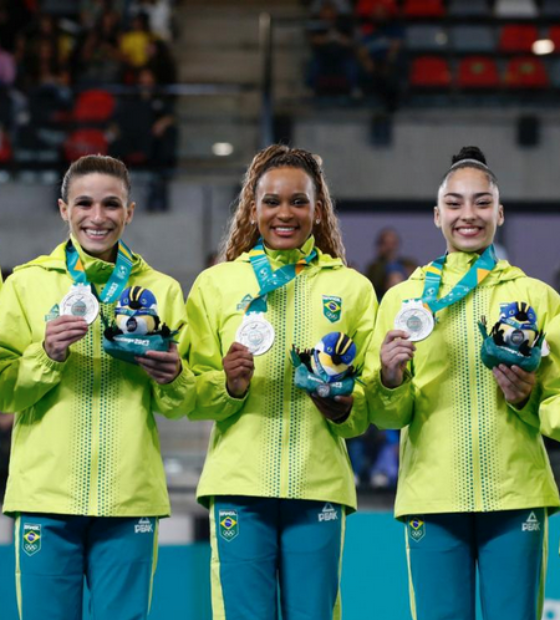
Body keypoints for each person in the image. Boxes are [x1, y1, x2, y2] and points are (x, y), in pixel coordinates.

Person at [367, 146, 560, 620]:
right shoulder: (403, 299)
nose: (467, 215)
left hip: (517, 495)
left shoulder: (538, 298)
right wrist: (390, 378)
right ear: (437, 216)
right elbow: (385, 413)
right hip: (432, 496)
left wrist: (529, 399)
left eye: (480, 202)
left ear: (499, 211)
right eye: (454, 204)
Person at [185, 144, 376, 620]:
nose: (284, 213)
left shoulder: (351, 288)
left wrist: (344, 405)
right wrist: (227, 385)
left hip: (319, 486)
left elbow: (371, 397)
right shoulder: (217, 284)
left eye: (299, 201)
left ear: (318, 209)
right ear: (254, 208)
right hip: (238, 486)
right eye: (272, 201)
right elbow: (187, 392)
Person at [0, 154, 193, 620]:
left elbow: (183, 400)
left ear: (130, 211)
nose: (98, 216)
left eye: (111, 204)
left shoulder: (162, 290)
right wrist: (46, 356)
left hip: (129, 496)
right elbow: (5, 391)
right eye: (84, 203)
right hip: (45, 495)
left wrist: (172, 377)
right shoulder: (25, 285)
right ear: (64, 209)